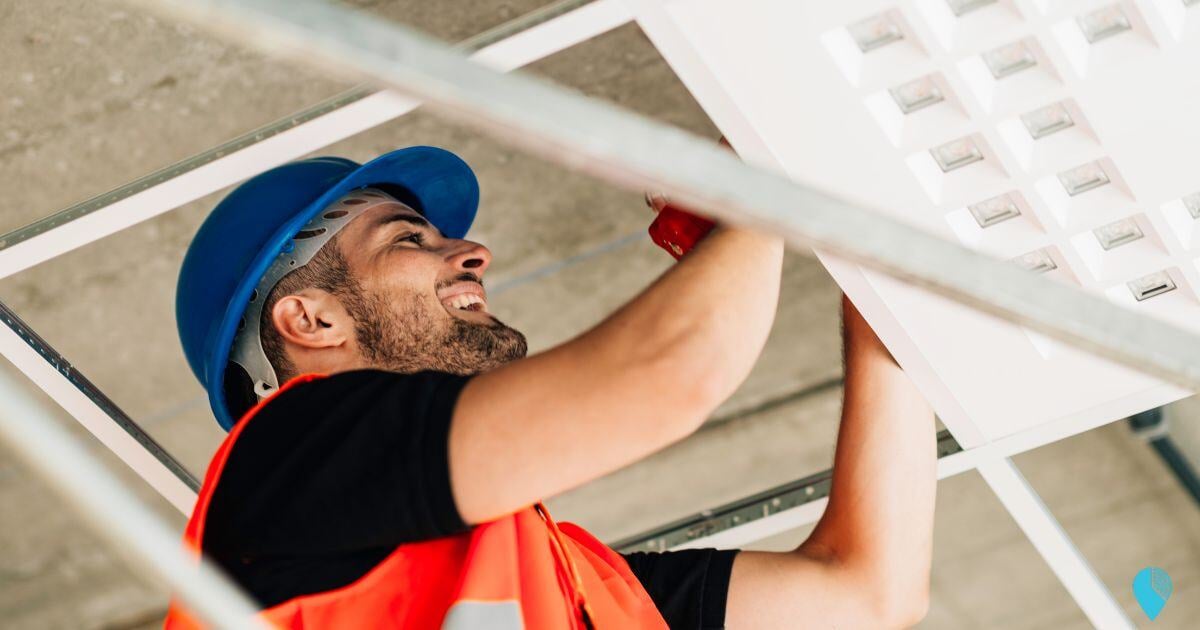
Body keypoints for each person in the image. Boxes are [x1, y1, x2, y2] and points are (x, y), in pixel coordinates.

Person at [167, 145, 935, 629]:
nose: (474, 252)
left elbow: (866, 597)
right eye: (409, 240)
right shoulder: (284, 465)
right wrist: (765, 188)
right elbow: (667, 374)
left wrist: (889, 303)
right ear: (310, 318)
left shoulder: (567, 587)